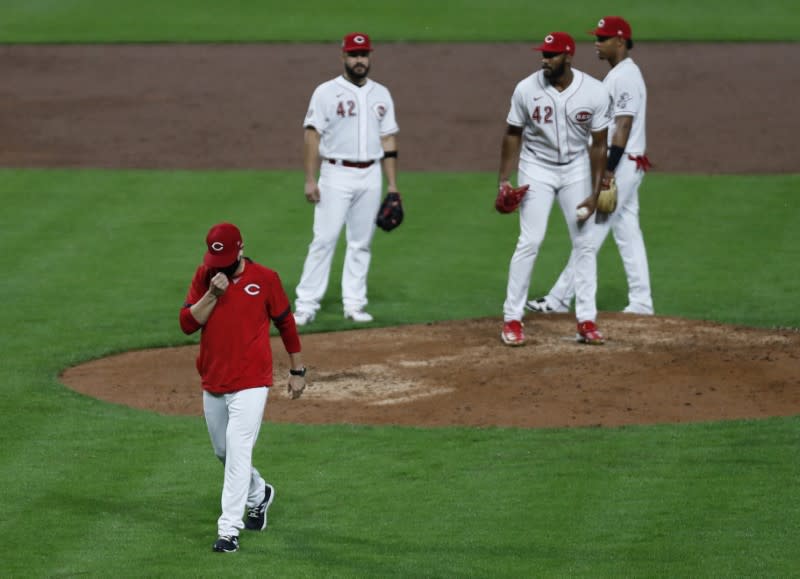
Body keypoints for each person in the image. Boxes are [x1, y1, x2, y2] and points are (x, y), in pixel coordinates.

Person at [179, 222, 307, 553]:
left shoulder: (265, 278)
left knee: (238, 451)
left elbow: (285, 322)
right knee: (223, 452)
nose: (217, 268)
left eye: (224, 261)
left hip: (252, 381)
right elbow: (187, 325)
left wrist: (297, 369)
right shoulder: (205, 276)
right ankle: (260, 493)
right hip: (214, 379)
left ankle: (229, 531)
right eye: (213, 262)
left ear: (241, 248)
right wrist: (212, 293)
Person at [526, 16, 654, 316]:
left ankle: (559, 298)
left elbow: (623, 124)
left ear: (620, 41)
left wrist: (607, 171)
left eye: (603, 38)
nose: (596, 43)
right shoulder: (619, 75)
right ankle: (641, 301)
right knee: (627, 231)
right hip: (626, 162)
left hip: (620, 164)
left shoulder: (625, 77)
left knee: (591, 231)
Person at [498, 32, 613, 347]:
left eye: (551, 55)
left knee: (585, 244)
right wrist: (504, 180)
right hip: (536, 168)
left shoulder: (594, 92)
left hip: (576, 169)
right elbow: (512, 133)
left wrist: (595, 188)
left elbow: (599, 144)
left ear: (569, 56)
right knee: (530, 240)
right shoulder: (526, 89)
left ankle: (586, 320)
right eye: (543, 54)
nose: (544, 59)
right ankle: (512, 318)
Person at [294, 32, 400, 326]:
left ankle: (354, 304)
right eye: (354, 55)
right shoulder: (326, 92)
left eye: (363, 54)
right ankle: (306, 304)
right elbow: (311, 135)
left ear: (369, 57)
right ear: (343, 57)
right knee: (324, 240)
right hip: (335, 173)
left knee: (361, 243)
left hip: (370, 175)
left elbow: (388, 139)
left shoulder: (382, 94)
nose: (359, 60)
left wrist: (392, 186)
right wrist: (310, 178)